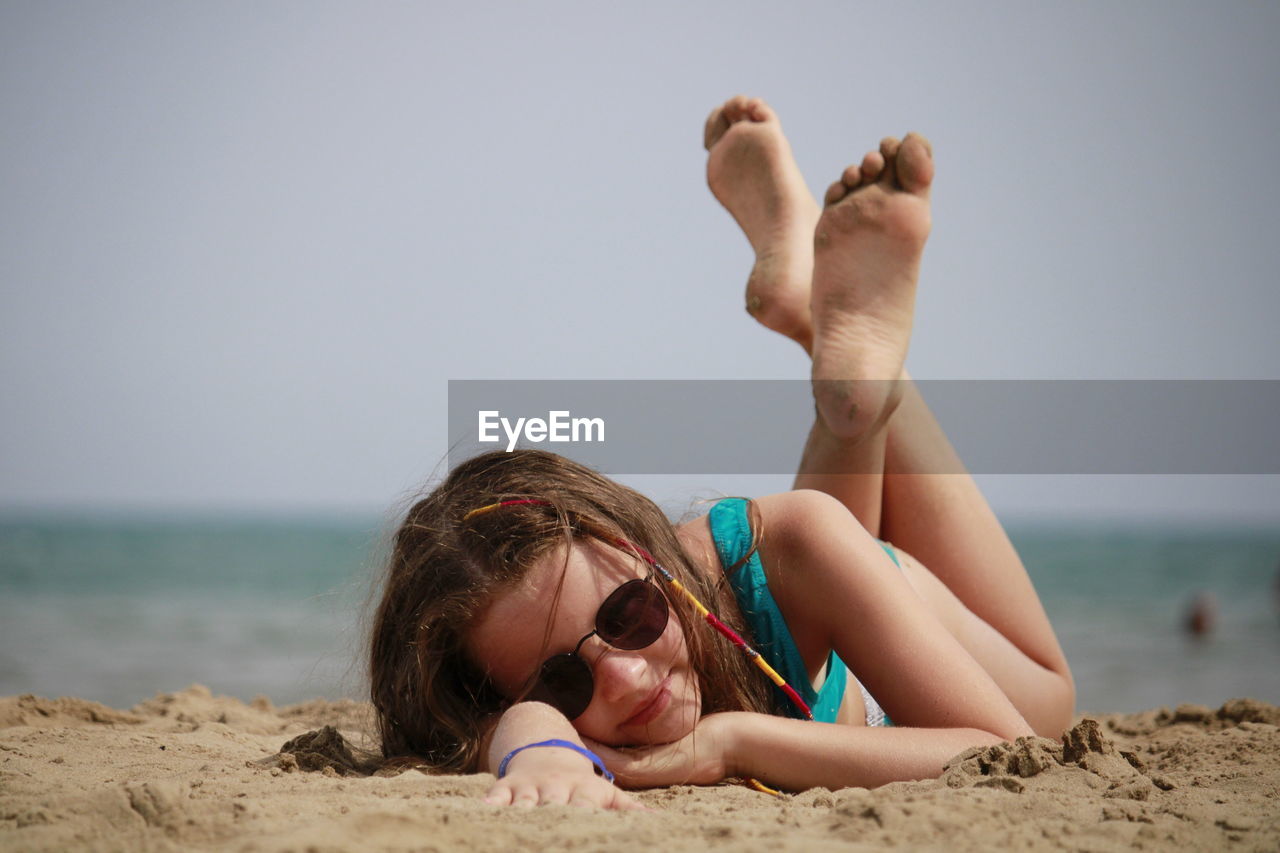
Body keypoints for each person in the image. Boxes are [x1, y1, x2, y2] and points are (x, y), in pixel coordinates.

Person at [369, 96, 1075, 809]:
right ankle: (821, 333)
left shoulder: (788, 540)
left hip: (839, 574)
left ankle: (846, 371)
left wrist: (733, 740)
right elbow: (516, 727)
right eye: (562, 680)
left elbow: (1003, 748)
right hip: (810, 601)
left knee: (1052, 698)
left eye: (630, 615)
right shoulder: (521, 666)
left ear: (641, 546)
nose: (622, 677)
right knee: (811, 547)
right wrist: (533, 734)